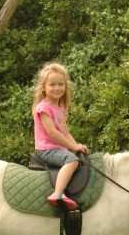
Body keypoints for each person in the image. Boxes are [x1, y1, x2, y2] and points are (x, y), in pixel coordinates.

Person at [32, 62, 89, 211]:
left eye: (60, 84)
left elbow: (64, 131)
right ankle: (57, 194)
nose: (57, 88)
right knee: (71, 160)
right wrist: (72, 149)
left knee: (79, 158)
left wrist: (77, 146)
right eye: (52, 85)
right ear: (44, 87)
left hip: (58, 148)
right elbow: (53, 133)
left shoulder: (60, 107)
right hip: (46, 149)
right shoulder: (43, 108)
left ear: (65, 86)